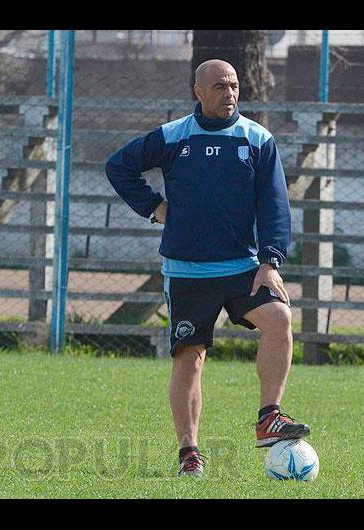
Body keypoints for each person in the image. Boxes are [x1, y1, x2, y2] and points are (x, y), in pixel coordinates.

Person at [105, 59, 310, 478]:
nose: (229, 93)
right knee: (189, 359)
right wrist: (154, 208)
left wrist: (271, 262)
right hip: (188, 271)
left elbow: (275, 205)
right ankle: (189, 453)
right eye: (219, 86)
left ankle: (269, 417)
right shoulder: (173, 136)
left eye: (234, 85)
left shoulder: (257, 139)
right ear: (198, 91)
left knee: (279, 318)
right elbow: (118, 167)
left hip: (242, 266)